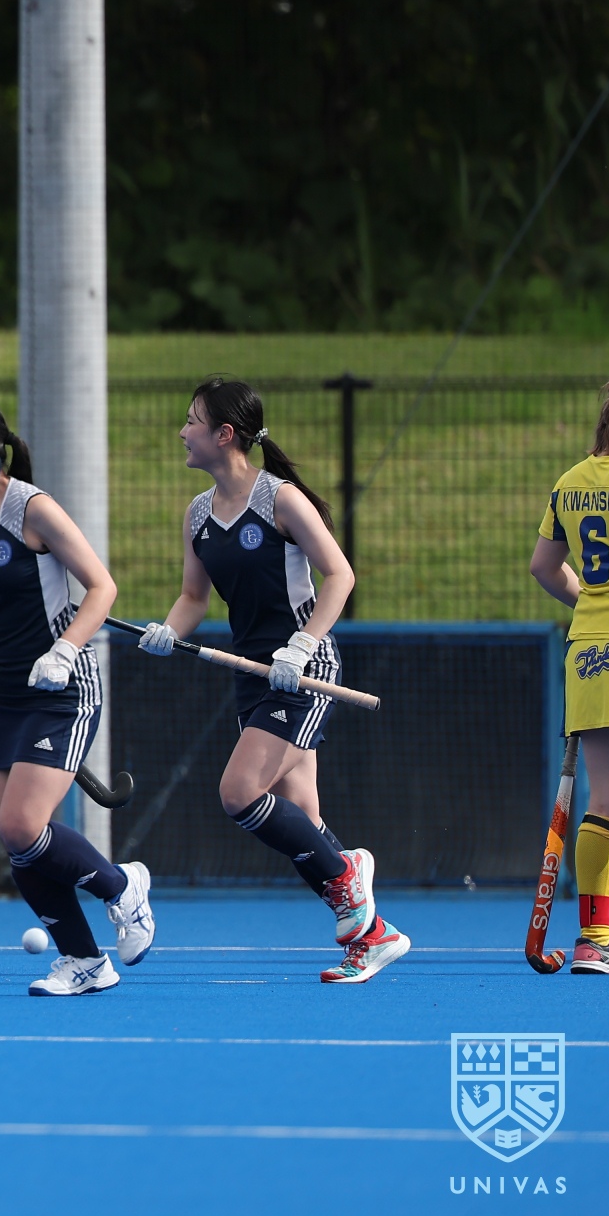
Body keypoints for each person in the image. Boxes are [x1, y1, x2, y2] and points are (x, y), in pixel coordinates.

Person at [135, 378, 408, 983]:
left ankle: (347, 875)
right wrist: (167, 631)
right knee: (301, 815)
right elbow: (193, 596)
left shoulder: (279, 499)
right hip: (253, 674)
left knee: (238, 793)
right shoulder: (197, 514)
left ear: (224, 434)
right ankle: (373, 935)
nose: (182, 431)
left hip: (304, 670)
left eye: (192, 421)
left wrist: (304, 643)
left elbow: (340, 575)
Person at [0, 396, 154, 996]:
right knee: (17, 839)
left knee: (23, 824)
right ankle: (84, 961)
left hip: (63, 689)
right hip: (2, 691)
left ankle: (122, 887)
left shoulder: (33, 509)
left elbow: (102, 587)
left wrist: (66, 649)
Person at [528, 376, 609, 976]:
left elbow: (544, 567)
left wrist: (591, 601)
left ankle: (593, 939)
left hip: (591, 649)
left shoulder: (570, 482)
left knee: (605, 797)